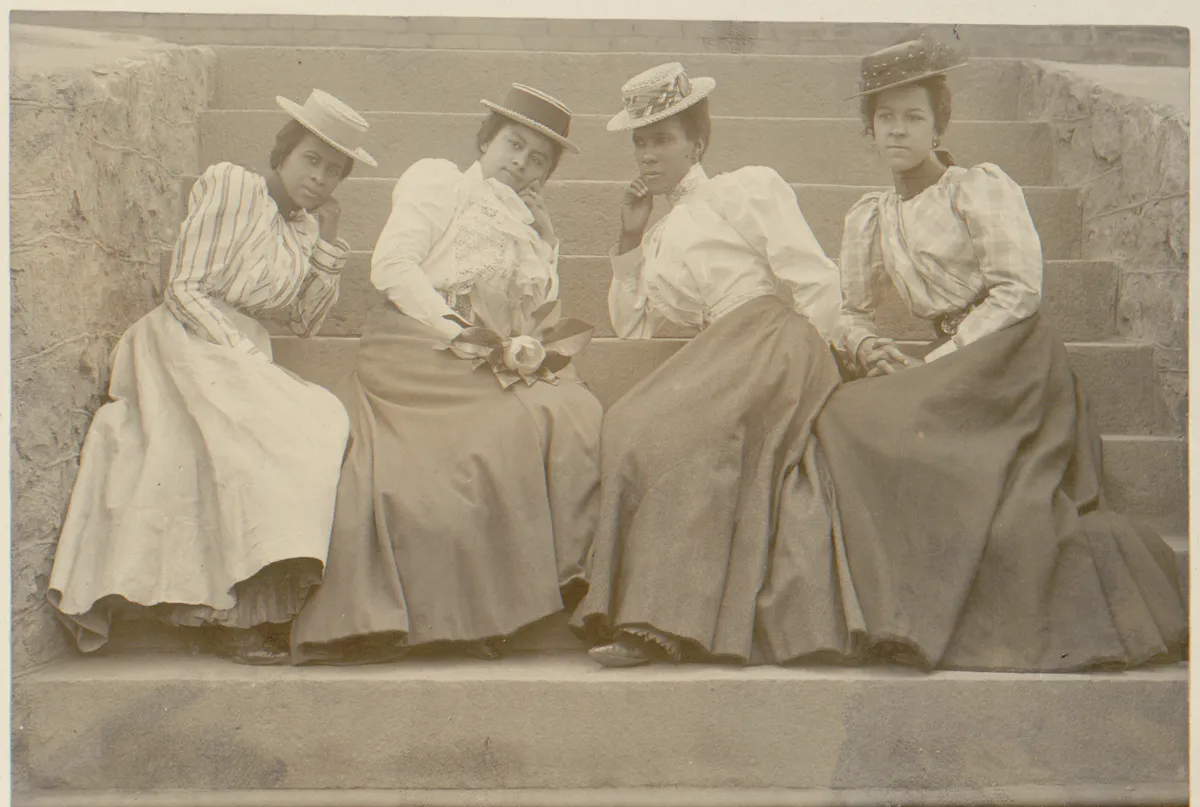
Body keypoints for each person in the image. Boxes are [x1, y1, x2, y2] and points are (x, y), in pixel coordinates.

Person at [807, 35, 1186, 671]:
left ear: (939, 124)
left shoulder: (975, 189)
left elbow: (1018, 290)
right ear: (868, 128)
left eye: (913, 117)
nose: (898, 131)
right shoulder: (867, 218)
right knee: (844, 416)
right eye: (885, 119)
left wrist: (945, 359)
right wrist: (869, 345)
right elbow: (850, 309)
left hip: (1010, 353)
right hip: (951, 361)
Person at [47, 90, 376, 664]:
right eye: (311, 160)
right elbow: (183, 287)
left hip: (238, 350)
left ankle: (247, 604)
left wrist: (325, 249)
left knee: (321, 418)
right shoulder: (233, 186)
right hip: (182, 337)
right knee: (266, 426)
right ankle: (228, 614)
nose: (320, 178)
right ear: (283, 153)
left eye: (334, 170)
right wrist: (238, 357)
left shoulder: (301, 230)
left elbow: (301, 323)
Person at [291, 84, 601, 664]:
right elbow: (392, 266)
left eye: (538, 159)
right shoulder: (440, 183)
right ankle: (461, 612)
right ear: (486, 139)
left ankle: (549, 586)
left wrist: (548, 242)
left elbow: (541, 308)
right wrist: (454, 328)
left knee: (572, 409)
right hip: (418, 339)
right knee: (493, 435)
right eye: (513, 144)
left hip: (490, 350)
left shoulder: (528, 220)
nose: (520, 163)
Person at [569, 62, 846, 668]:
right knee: (629, 425)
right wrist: (629, 240)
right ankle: (635, 607)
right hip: (717, 353)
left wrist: (823, 360)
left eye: (662, 139)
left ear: (697, 143)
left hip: (773, 339)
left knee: (684, 435)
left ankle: (659, 624)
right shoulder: (662, 235)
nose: (647, 155)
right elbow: (632, 327)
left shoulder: (745, 188)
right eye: (640, 142)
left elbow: (813, 275)